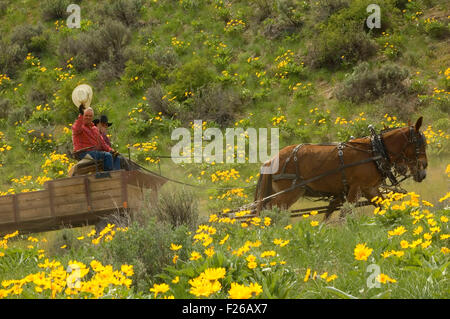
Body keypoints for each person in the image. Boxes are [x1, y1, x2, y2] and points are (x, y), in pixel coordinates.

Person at [71, 85, 120, 171]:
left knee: (116, 157)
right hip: (83, 153)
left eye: (90, 116)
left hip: (95, 153)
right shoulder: (79, 126)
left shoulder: (94, 129)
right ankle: (109, 176)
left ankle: (118, 175)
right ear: (83, 116)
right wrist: (81, 114)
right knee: (107, 156)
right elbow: (76, 129)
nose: (88, 117)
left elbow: (102, 143)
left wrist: (111, 150)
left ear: (92, 117)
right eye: (86, 115)